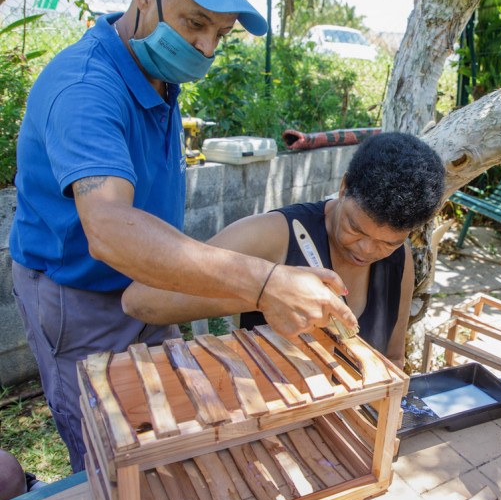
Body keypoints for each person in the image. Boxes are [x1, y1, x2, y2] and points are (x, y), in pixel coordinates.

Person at [9, 0, 356, 473]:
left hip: (147, 282)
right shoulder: (84, 89)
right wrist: (263, 282)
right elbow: (109, 230)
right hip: (78, 295)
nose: (207, 48)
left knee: (170, 426)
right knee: (109, 451)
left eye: (220, 33)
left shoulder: (154, 64)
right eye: (195, 23)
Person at [122, 133, 446, 369]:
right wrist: (266, 287)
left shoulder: (399, 259)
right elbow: (142, 300)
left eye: (387, 242)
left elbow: (391, 358)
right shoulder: (274, 235)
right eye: (355, 228)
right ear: (344, 187)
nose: (367, 249)